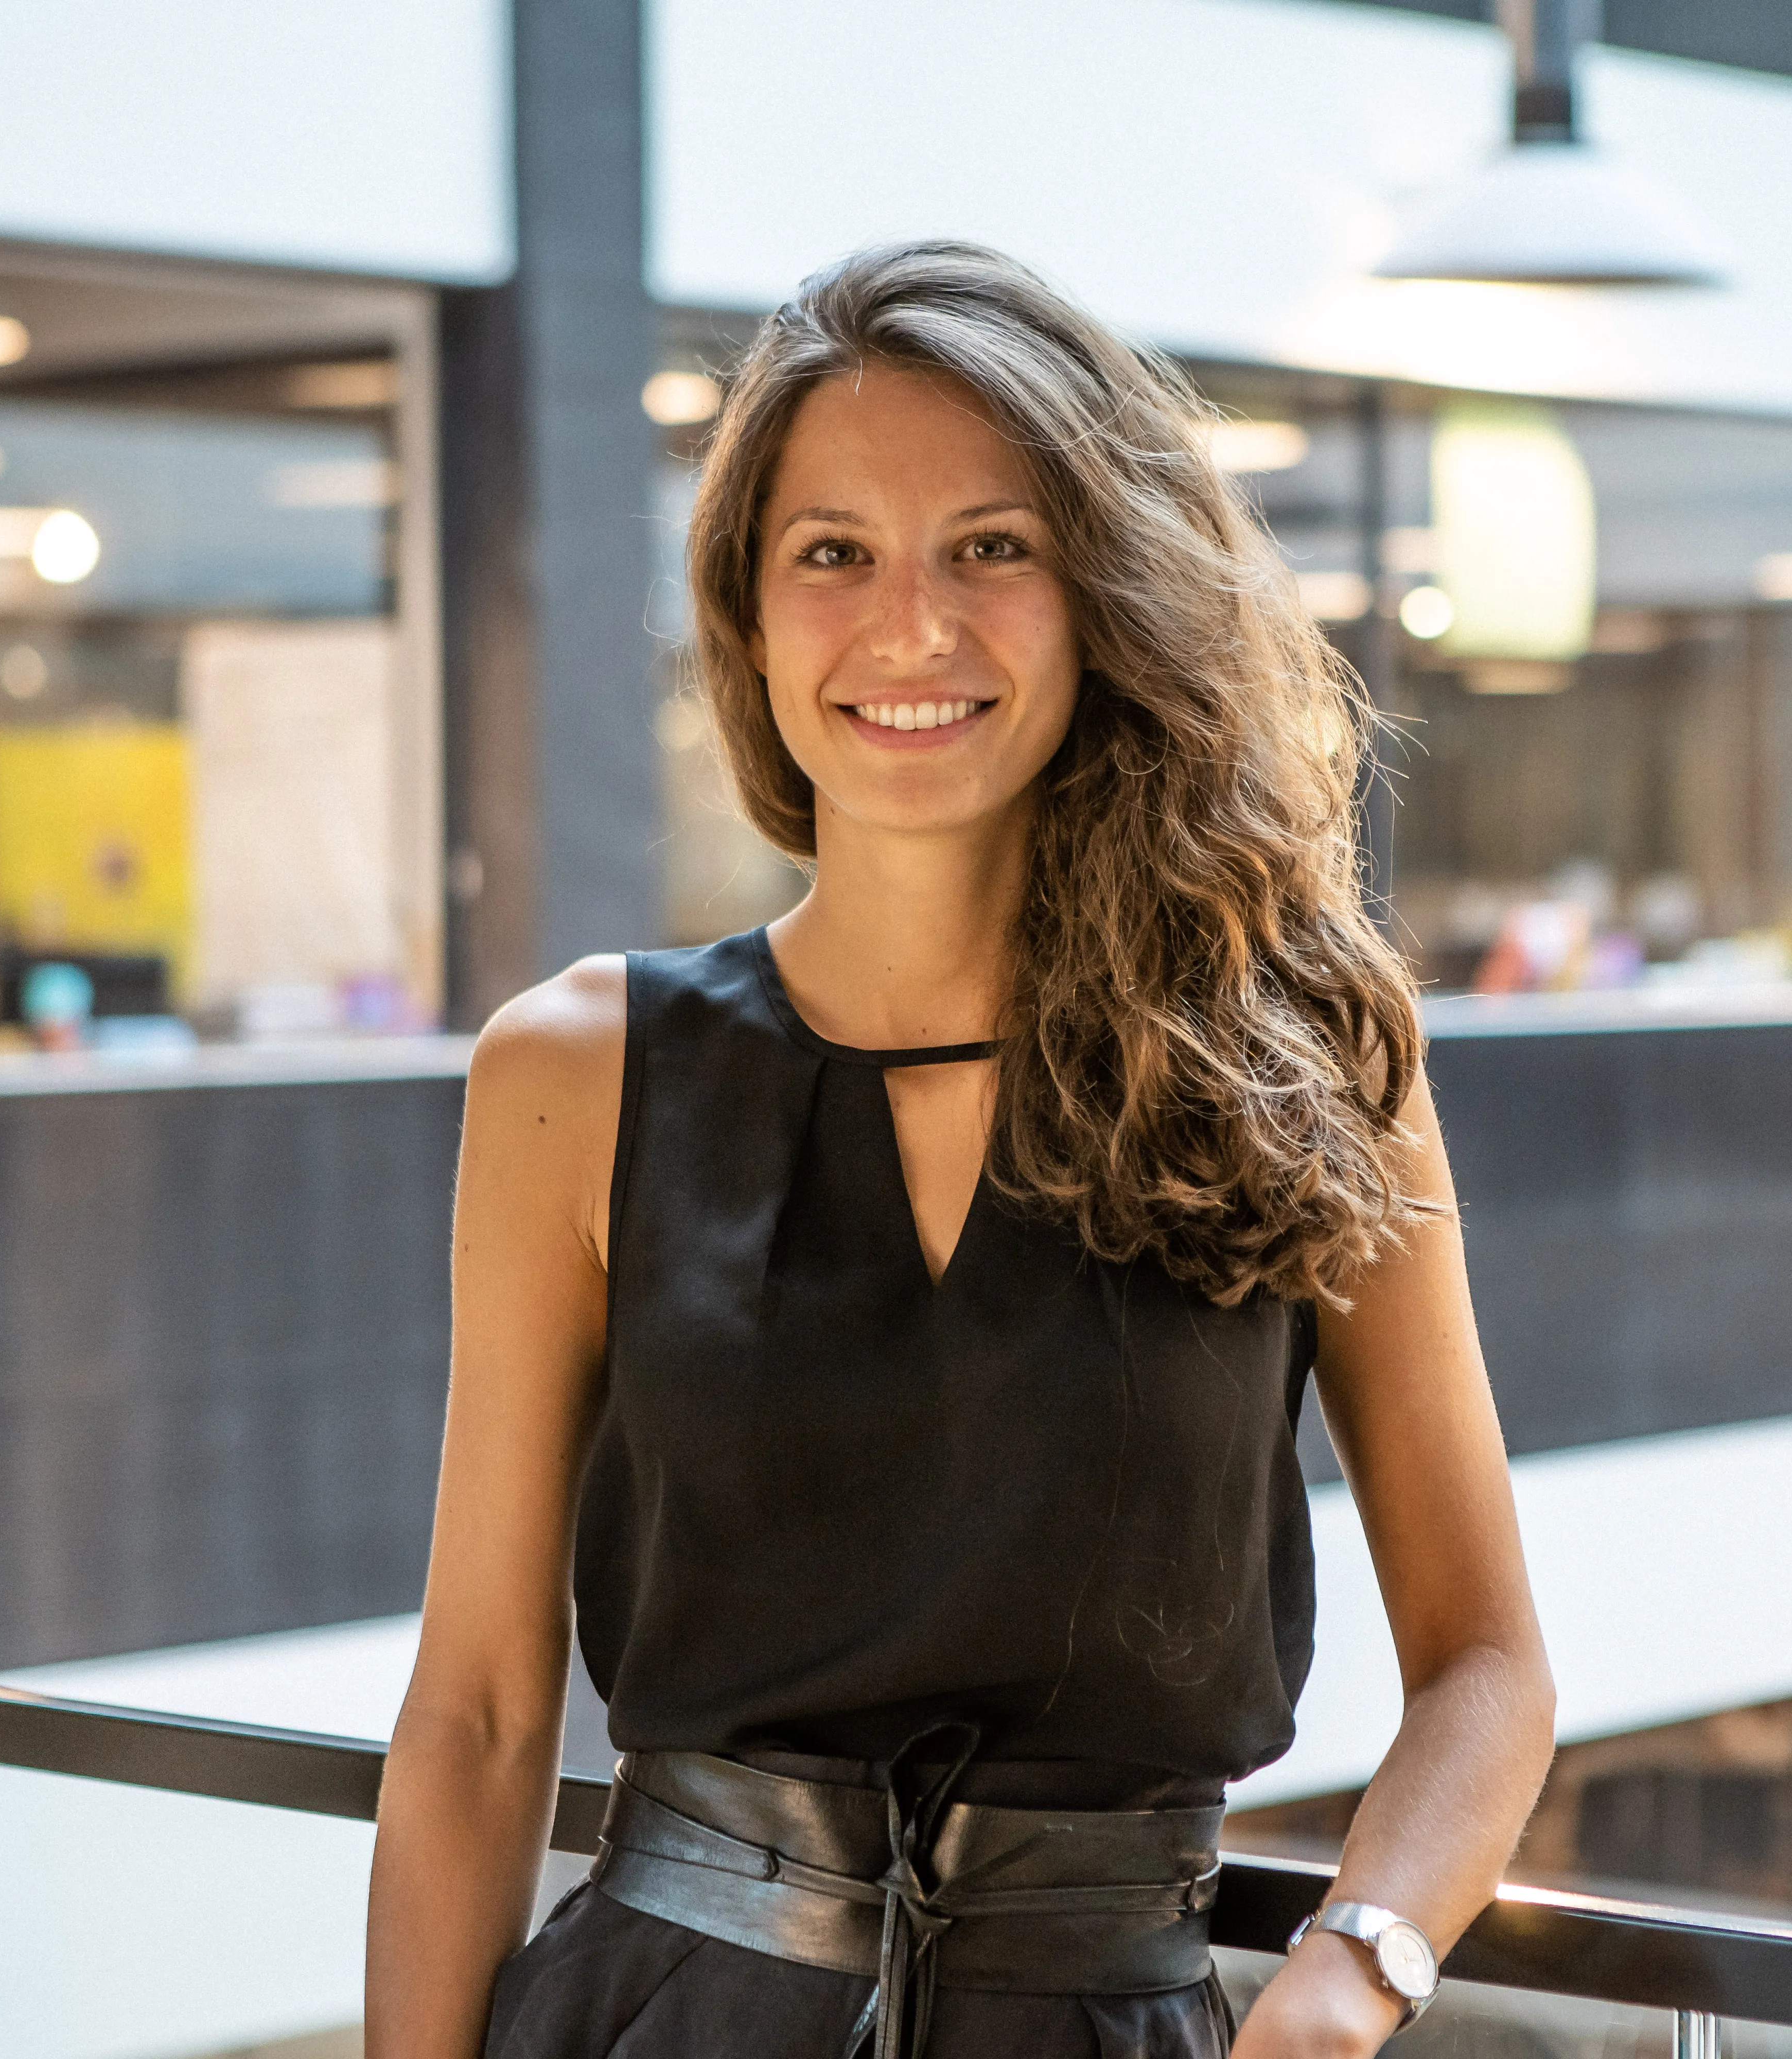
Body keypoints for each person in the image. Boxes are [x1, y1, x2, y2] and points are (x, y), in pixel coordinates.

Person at [366, 240, 1554, 2059]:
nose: (911, 626)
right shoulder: (574, 1074)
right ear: (751, 619)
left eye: (992, 547)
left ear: (1103, 597)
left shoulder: (1305, 1060)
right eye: (832, 553)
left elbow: (1486, 1667)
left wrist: (1348, 1974)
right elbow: (477, 1713)